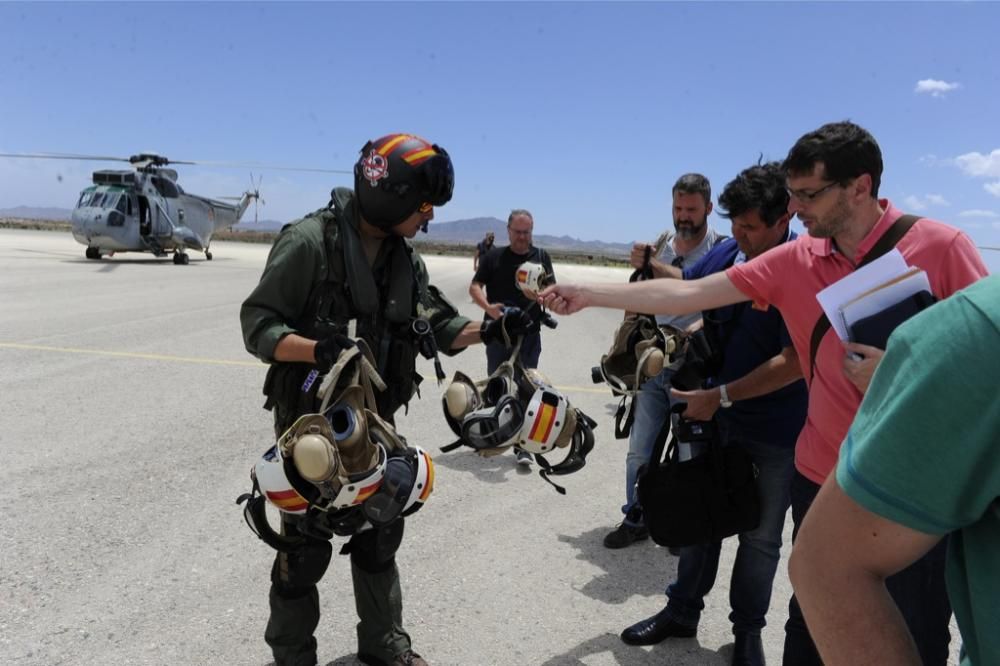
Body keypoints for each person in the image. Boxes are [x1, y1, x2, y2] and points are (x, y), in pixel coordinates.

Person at [540, 121, 988, 665]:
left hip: (915, 484)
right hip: (824, 476)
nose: (797, 209)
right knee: (814, 627)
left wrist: (905, 373)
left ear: (860, 187)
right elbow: (692, 290)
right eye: (793, 194)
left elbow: (985, 367)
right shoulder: (796, 261)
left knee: (913, 630)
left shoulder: (942, 248)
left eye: (808, 194)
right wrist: (586, 293)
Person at [240, 133, 533, 666]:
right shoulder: (309, 243)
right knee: (302, 555)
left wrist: (493, 328)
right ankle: (291, 657)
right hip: (312, 433)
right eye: (422, 207)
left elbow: (438, 323)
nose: (427, 219)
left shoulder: (404, 258)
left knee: (380, 537)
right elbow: (257, 327)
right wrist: (315, 350)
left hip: (377, 427)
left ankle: (385, 647)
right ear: (390, 196)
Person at [619, 162, 807, 666]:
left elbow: (793, 362)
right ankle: (681, 612)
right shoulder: (730, 251)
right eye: (736, 225)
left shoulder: (803, 267)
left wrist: (722, 396)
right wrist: (603, 294)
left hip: (774, 430)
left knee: (760, 537)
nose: (739, 238)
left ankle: (746, 634)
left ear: (783, 216)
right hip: (717, 419)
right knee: (698, 516)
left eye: (750, 227)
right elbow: (687, 286)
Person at [789, 275, 1000, 666]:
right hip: (836, 478)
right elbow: (827, 567)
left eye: (809, 205)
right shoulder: (985, 321)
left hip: (911, 492)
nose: (799, 210)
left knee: (922, 621)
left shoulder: (947, 250)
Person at [604, 173, 727, 549]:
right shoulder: (659, 247)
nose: (683, 216)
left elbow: (720, 303)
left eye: (691, 209)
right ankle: (636, 515)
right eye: (678, 208)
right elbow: (638, 295)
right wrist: (623, 344)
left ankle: (686, 526)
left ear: (708, 207)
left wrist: (691, 331)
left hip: (693, 368)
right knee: (639, 449)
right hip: (652, 365)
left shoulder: (721, 250)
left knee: (692, 452)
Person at [468, 209, 555, 466]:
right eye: (518, 232)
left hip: (528, 333)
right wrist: (488, 309)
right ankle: (492, 435)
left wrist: (540, 297)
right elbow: (475, 286)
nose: (522, 237)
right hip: (498, 332)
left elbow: (551, 290)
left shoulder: (541, 257)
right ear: (508, 231)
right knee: (497, 383)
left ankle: (523, 446)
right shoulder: (494, 256)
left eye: (527, 232)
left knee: (528, 386)